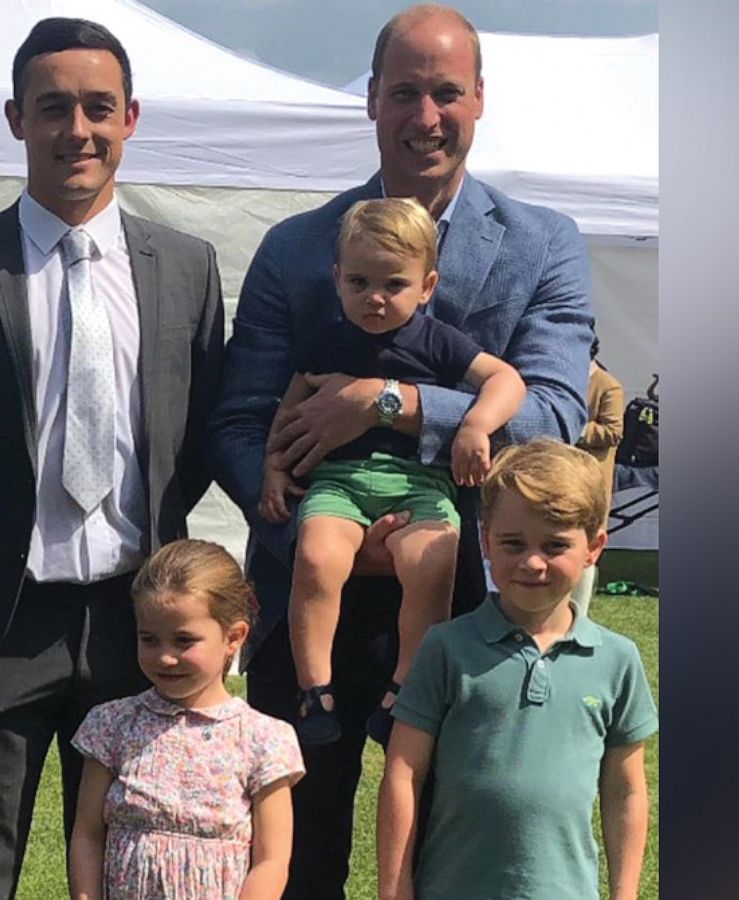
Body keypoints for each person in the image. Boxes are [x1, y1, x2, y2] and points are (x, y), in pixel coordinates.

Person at [206, 4, 595, 895]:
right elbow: (236, 421)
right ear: (372, 101)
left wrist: (392, 403)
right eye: (406, 92)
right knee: (295, 861)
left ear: (480, 100)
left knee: (458, 862)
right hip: (311, 600)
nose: (427, 115)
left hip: (474, 608)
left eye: (447, 93)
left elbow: (553, 417)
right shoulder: (296, 248)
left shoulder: (545, 246)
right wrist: (316, 516)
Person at [0, 17, 225, 899]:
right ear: (15, 118)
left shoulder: (187, 268)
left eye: (99, 108)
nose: (78, 129)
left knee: (130, 874)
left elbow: (203, 430)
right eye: (53, 107)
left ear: (131, 117)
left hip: (140, 627)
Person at [259, 198, 524, 747]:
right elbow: (292, 409)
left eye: (393, 285)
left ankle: (405, 684)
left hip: (421, 483)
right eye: (359, 282)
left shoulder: (438, 341)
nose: (374, 299)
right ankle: (315, 689)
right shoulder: (325, 337)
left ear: (427, 286)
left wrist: (475, 426)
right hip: (339, 482)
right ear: (336, 279)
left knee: (431, 561)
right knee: (316, 555)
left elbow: (507, 381)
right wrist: (273, 469)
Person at [377, 438, 656, 900]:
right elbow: (404, 772)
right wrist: (394, 889)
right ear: (486, 540)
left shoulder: (616, 660)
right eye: (513, 543)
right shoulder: (447, 648)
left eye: (554, 545)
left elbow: (626, 792)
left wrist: (625, 894)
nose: (531, 561)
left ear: (594, 547)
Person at [68, 539, 304, 900]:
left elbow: (271, 860)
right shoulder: (110, 725)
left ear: (233, 637)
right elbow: (87, 834)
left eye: (184, 641)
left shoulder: (263, 739)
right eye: (149, 639)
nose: (165, 657)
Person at [572, 337, 624, 614]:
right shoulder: (564, 381)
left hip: (592, 479)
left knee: (588, 543)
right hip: (563, 475)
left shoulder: (608, 385)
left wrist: (575, 427)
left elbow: (613, 431)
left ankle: (579, 610)